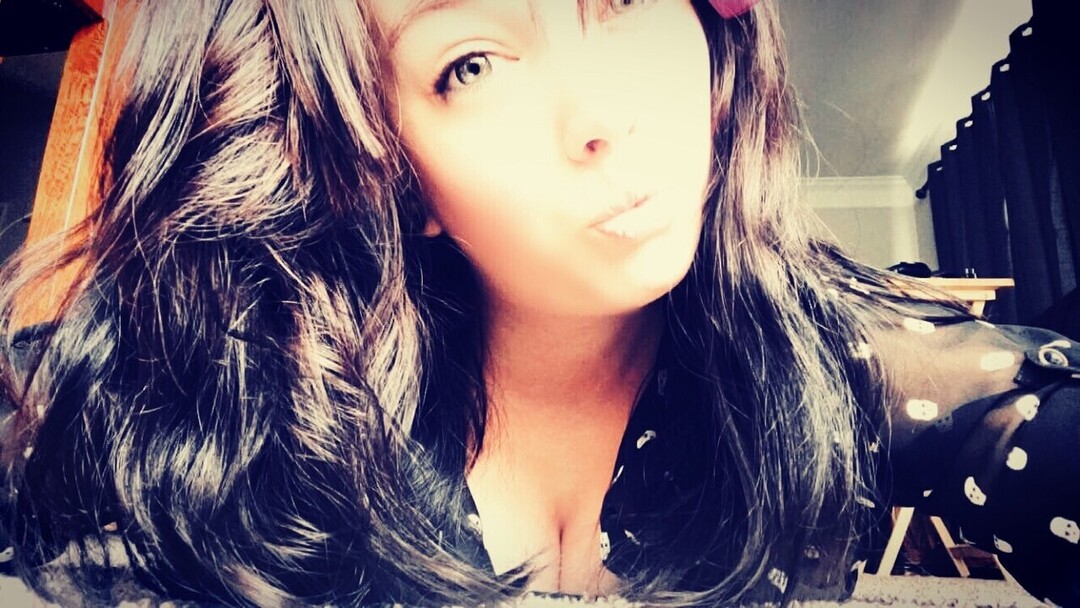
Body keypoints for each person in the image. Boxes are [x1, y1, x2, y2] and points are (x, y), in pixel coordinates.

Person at [0, 0, 1077, 605]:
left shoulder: (847, 362)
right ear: (384, 160)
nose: (601, 115)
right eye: (471, 64)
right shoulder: (267, 369)